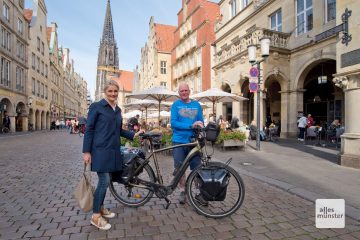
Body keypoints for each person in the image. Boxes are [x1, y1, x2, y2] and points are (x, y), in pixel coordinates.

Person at [82, 80, 143, 231]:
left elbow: (119, 130)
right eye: (110, 91)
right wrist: (86, 151)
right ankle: (96, 216)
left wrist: (133, 135)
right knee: (104, 180)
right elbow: (89, 129)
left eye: (115, 91)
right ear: (105, 92)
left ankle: (100, 208)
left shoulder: (117, 109)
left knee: (106, 181)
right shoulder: (96, 106)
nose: (113, 94)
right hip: (100, 150)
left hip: (114, 150)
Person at [170, 82, 206, 205]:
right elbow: (173, 123)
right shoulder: (175, 105)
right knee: (180, 168)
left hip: (194, 141)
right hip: (178, 141)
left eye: (186, 90)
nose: (184, 93)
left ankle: (198, 193)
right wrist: (191, 125)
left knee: (197, 168)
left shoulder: (196, 105)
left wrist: (201, 124)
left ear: (189, 91)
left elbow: (201, 120)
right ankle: (182, 191)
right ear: (179, 93)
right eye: (181, 91)